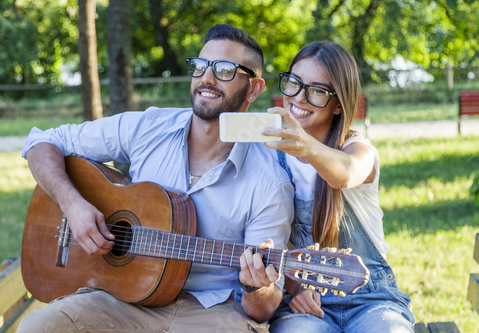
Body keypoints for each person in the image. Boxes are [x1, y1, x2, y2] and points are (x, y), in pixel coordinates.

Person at [17, 24, 294, 333]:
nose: (207, 78)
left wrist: (257, 287)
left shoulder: (270, 182)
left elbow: (263, 310)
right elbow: (41, 143)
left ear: (254, 88)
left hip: (211, 312)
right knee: (39, 326)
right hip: (122, 300)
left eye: (225, 70)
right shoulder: (149, 127)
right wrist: (73, 205)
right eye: (200, 66)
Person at [261, 41, 416, 332]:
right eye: (294, 82)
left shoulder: (358, 148)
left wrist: (306, 147)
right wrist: (295, 290)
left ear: (338, 104)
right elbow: (276, 241)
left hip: (372, 299)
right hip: (308, 305)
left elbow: (345, 173)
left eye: (317, 90)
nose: (299, 97)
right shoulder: (272, 158)